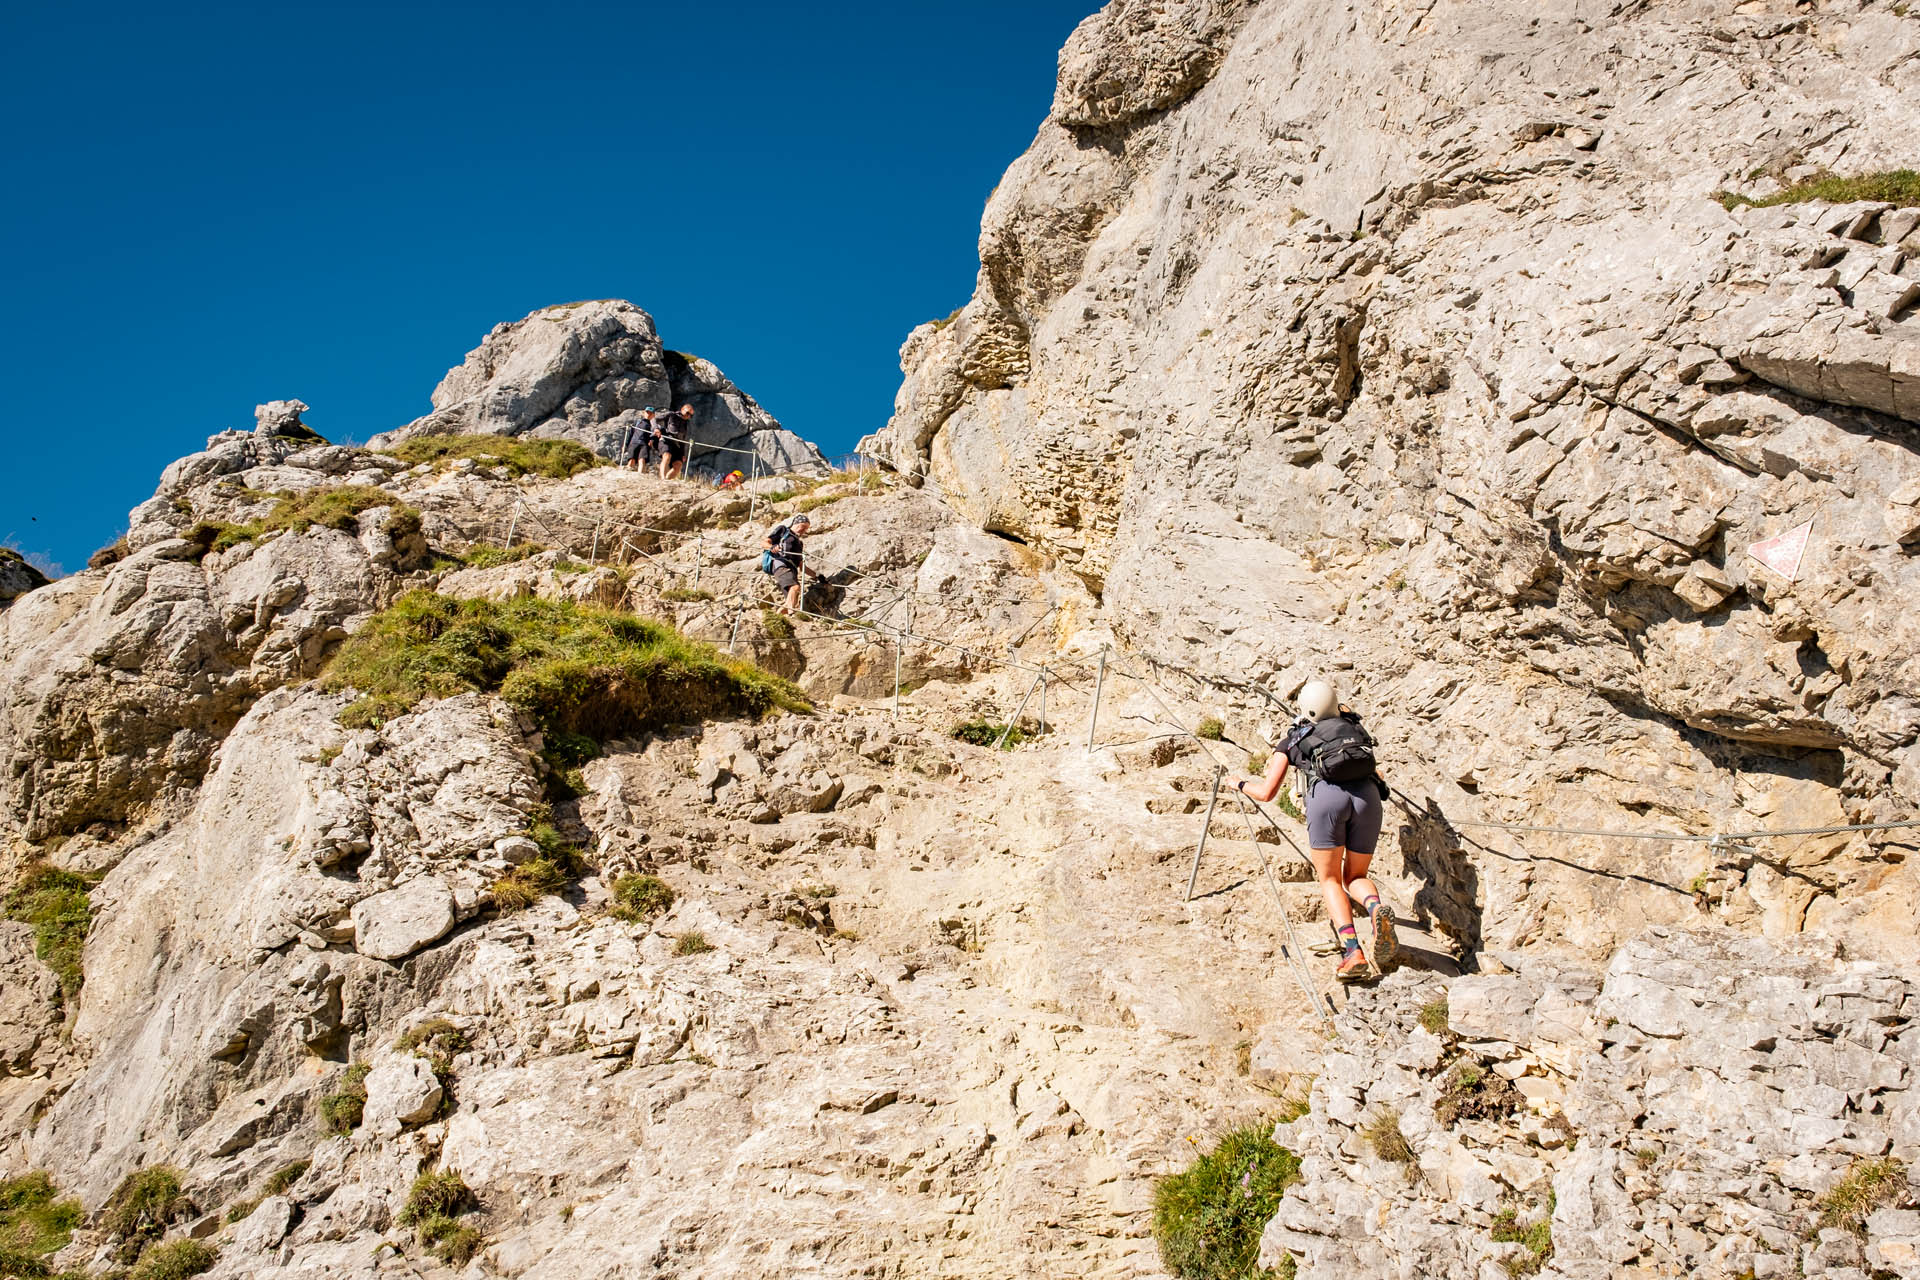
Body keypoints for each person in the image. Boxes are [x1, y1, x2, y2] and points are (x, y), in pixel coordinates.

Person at [1235, 680, 1394, 982]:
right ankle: (1376, 910)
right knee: (1356, 876)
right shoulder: (1353, 727)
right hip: (1368, 799)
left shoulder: (1294, 739)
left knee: (1331, 879)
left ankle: (1353, 952)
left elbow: (1267, 792)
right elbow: (1376, 769)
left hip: (1327, 801)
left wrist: (1240, 784)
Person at [761, 513, 813, 615]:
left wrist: (818, 576)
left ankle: (783, 617)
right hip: (781, 565)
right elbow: (764, 542)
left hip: (792, 571)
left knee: (793, 602)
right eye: (803, 527)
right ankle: (785, 611)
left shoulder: (799, 543)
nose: (804, 530)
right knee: (795, 588)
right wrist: (771, 547)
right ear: (796, 523)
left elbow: (802, 566)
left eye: (806, 529)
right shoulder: (784, 530)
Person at [659, 404, 694, 480]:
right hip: (666, 439)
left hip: (677, 444)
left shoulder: (687, 424)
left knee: (678, 465)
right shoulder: (671, 415)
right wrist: (656, 429)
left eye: (691, 415)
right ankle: (662, 478)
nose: (688, 416)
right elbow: (654, 419)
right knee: (667, 456)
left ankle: (667, 480)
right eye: (687, 413)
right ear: (682, 409)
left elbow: (683, 439)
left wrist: (683, 454)